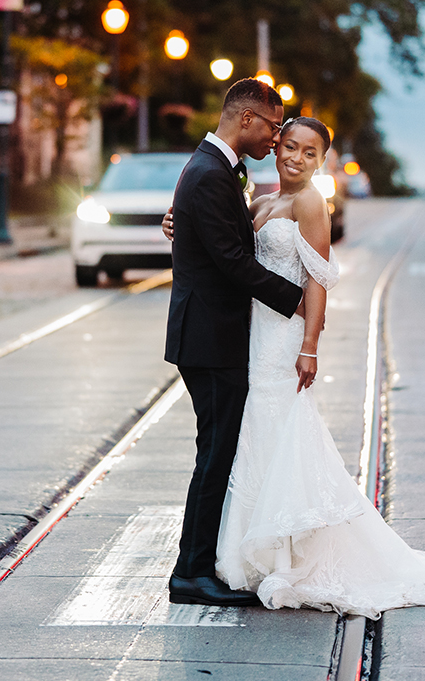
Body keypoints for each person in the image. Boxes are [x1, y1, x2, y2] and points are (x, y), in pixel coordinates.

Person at [211, 116, 425, 617]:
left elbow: (316, 280)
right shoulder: (262, 202)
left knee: (280, 426)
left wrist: (309, 345)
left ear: (322, 161)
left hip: (285, 338)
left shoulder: (310, 203)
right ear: (276, 147)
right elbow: (234, 253)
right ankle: (264, 548)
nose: (296, 158)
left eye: (310, 153)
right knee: (263, 432)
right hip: (257, 333)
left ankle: (288, 552)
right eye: (290, 147)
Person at [165, 78, 306, 607]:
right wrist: (299, 301)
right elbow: (234, 263)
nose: (277, 138)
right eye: (273, 126)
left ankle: (205, 564)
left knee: (219, 452)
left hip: (213, 334)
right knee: (214, 455)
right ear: (246, 119)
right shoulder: (207, 173)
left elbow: (218, 241)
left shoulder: (215, 169)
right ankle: (191, 573)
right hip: (209, 337)